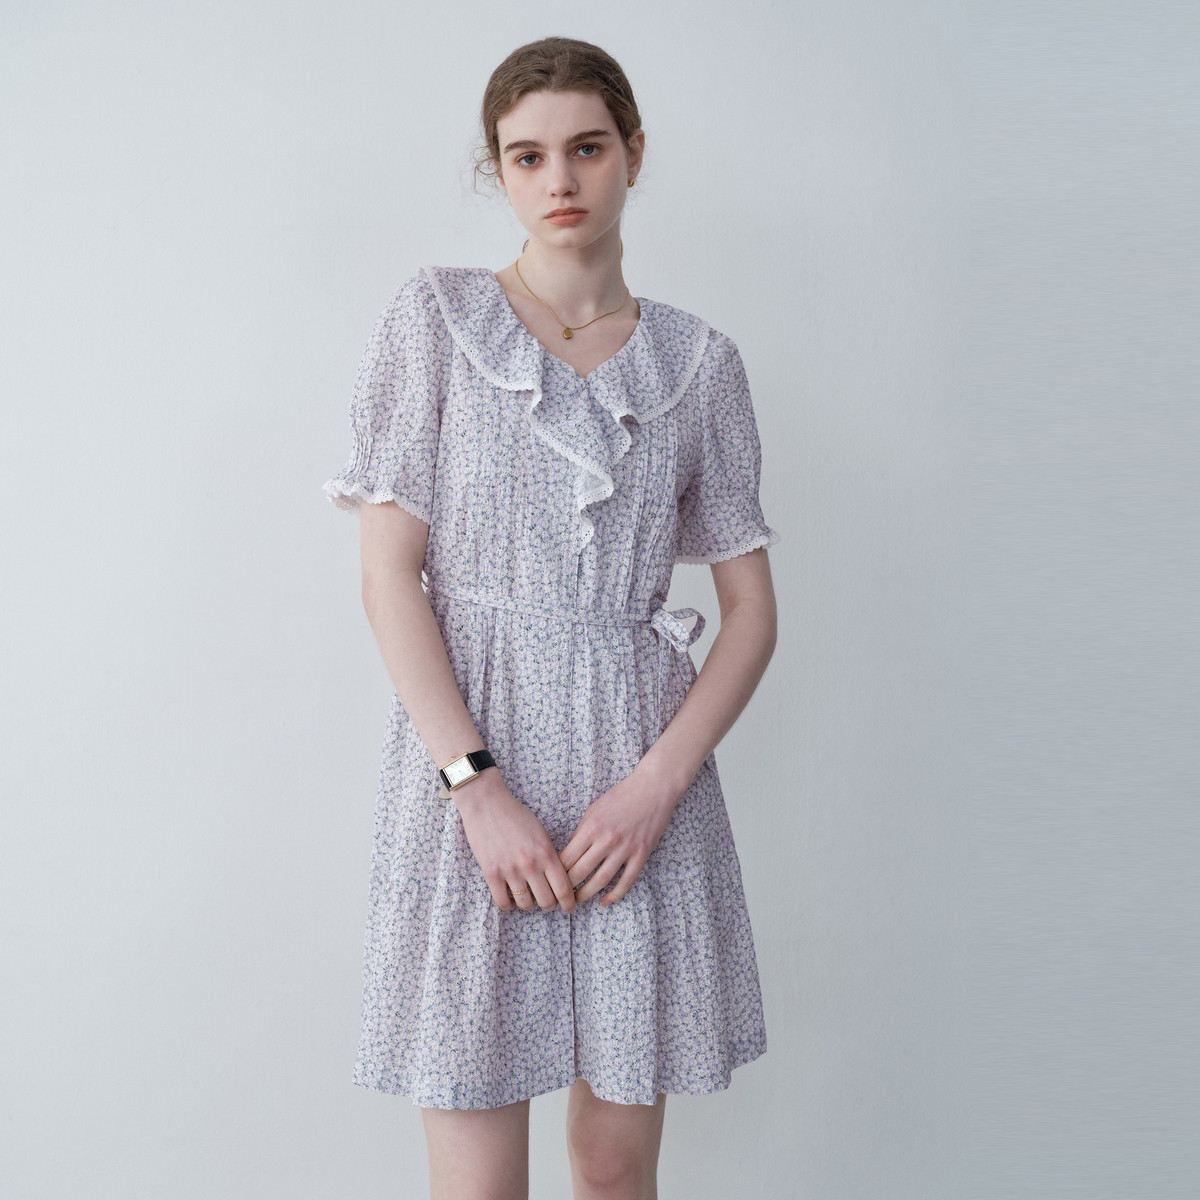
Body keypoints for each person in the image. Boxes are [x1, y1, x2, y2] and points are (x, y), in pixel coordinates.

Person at [324, 35, 781, 1200]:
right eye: (526, 157)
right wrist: (474, 788)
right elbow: (389, 580)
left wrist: (656, 789)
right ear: (499, 170)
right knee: (480, 1182)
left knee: (615, 1170)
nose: (559, 179)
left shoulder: (700, 364)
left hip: (638, 783)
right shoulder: (434, 322)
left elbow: (750, 614)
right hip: (470, 776)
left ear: (634, 152)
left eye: (586, 148)